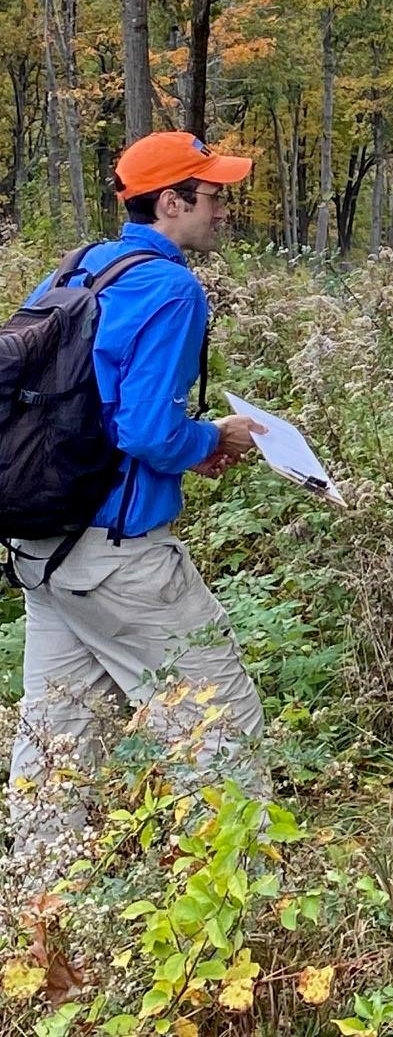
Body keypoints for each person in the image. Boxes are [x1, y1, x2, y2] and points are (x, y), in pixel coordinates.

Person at [9, 132, 268, 871]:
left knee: (56, 738)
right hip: (119, 561)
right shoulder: (170, 287)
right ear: (171, 201)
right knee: (221, 723)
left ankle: (38, 902)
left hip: (45, 549)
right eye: (212, 195)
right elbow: (148, 428)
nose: (223, 209)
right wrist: (216, 435)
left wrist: (187, 444)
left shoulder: (82, 266)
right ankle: (246, 905)